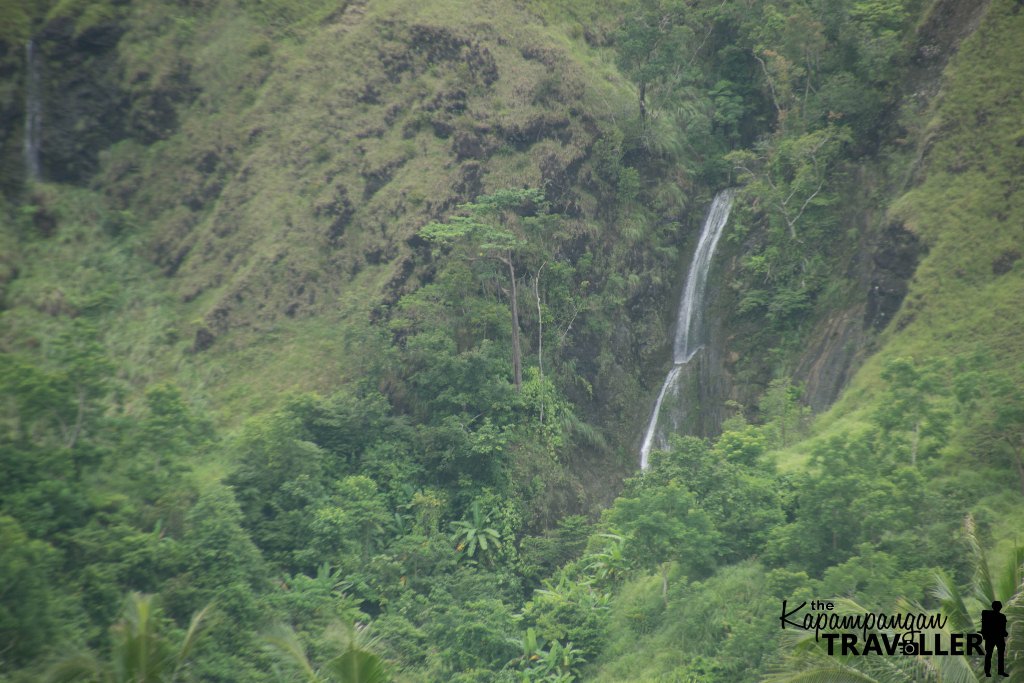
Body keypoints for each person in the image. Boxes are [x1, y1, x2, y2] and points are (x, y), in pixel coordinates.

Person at [981, 600, 1009, 677]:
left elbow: (1003, 629)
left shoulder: (988, 615)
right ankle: (999, 671)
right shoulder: (1002, 617)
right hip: (997, 638)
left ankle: (988, 672)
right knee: (998, 655)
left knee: (990, 655)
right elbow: (1003, 629)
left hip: (992, 638)